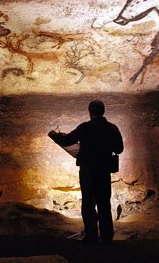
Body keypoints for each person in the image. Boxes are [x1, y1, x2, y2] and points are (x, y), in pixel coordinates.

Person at [48, 99, 124, 243]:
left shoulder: (85, 127)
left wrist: (54, 135)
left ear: (90, 112)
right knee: (104, 203)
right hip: (104, 170)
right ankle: (107, 236)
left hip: (88, 170)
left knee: (89, 203)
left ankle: (91, 235)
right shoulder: (112, 128)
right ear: (103, 111)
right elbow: (119, 149)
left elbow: (68, 140)